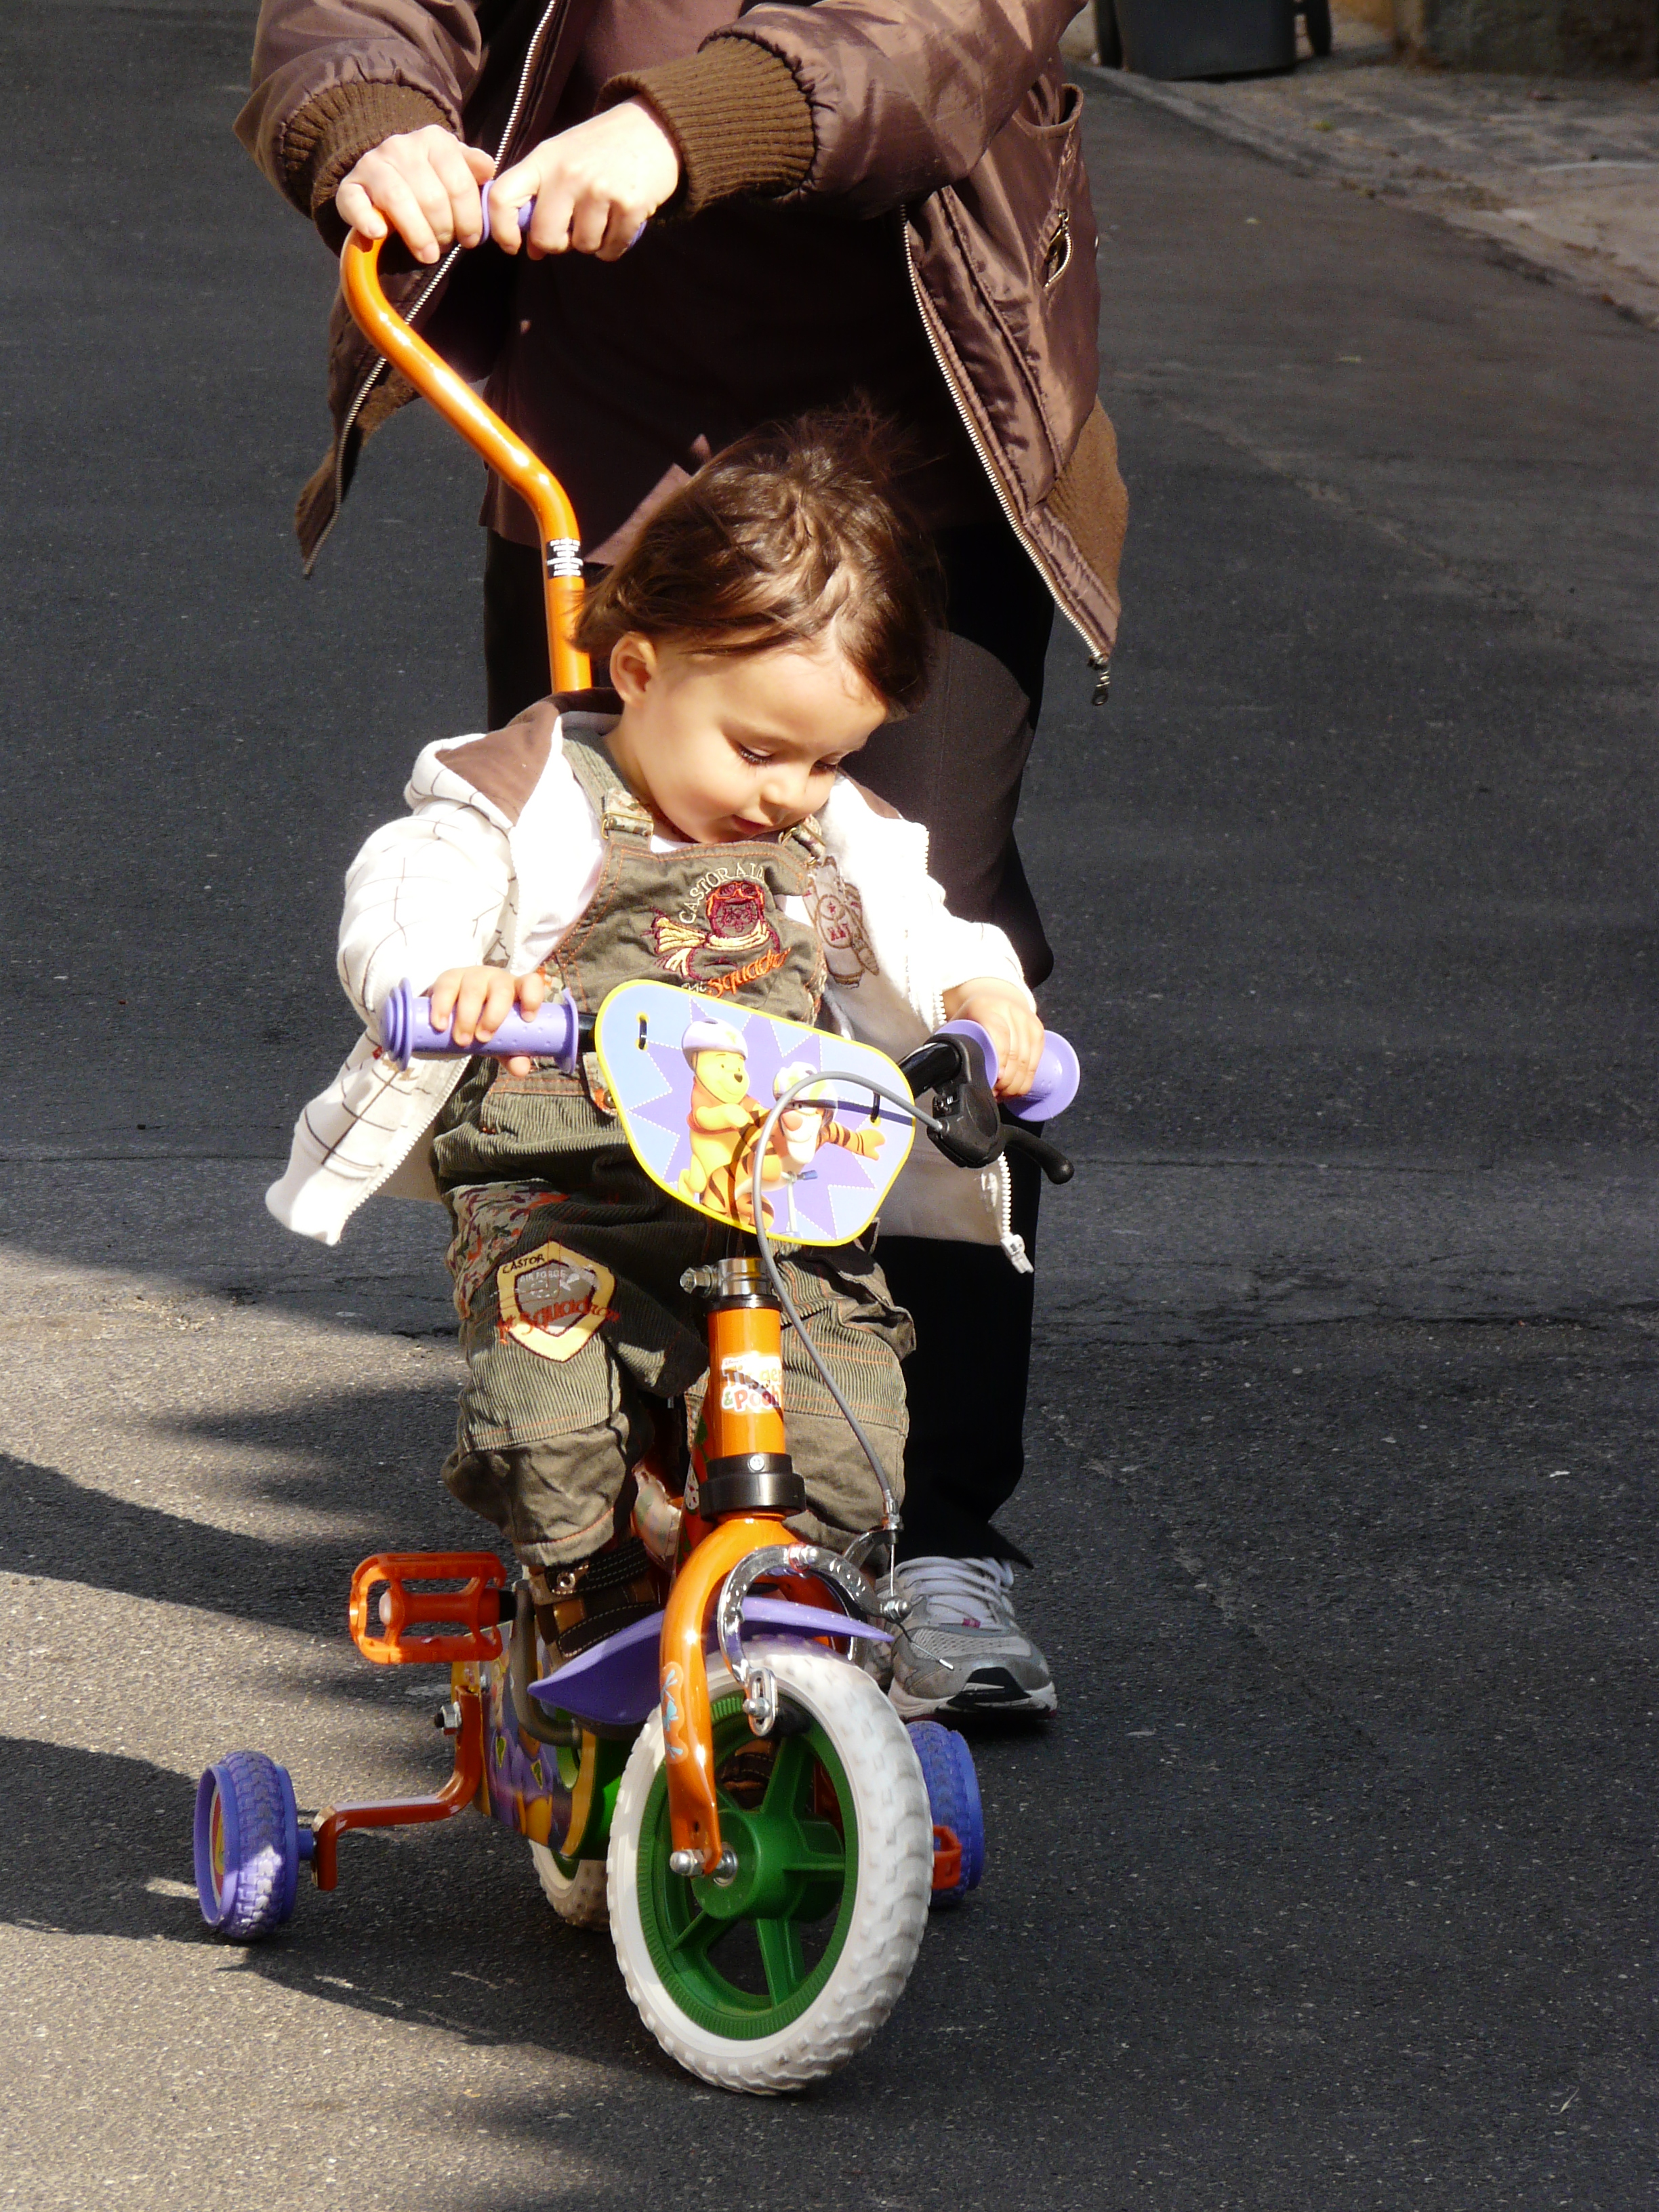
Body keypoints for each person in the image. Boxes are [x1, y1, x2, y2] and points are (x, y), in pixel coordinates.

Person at [239, 0, 1128, 1713]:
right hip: (604, 439)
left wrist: (679, 128)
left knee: (913, 971)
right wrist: (373, 117)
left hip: (914, 432)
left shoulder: (837, 771)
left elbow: (948, 31)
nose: (798, 787)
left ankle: (925, 1536)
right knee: (566, 907)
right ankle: (605, 1512)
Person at [267, 415, 1049, 1677]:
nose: (789, 791)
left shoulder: (835, 829)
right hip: (565, 1188)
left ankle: (803, 1600)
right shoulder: (530, 793)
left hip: (771, 1200)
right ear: (637, 668)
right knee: (548, 1407)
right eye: (759, 749)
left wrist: (984, 993)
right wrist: (442, 980)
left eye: (830, 759)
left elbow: (919, 917)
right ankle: (594, 1599)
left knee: (848, 1418)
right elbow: (413, 881)